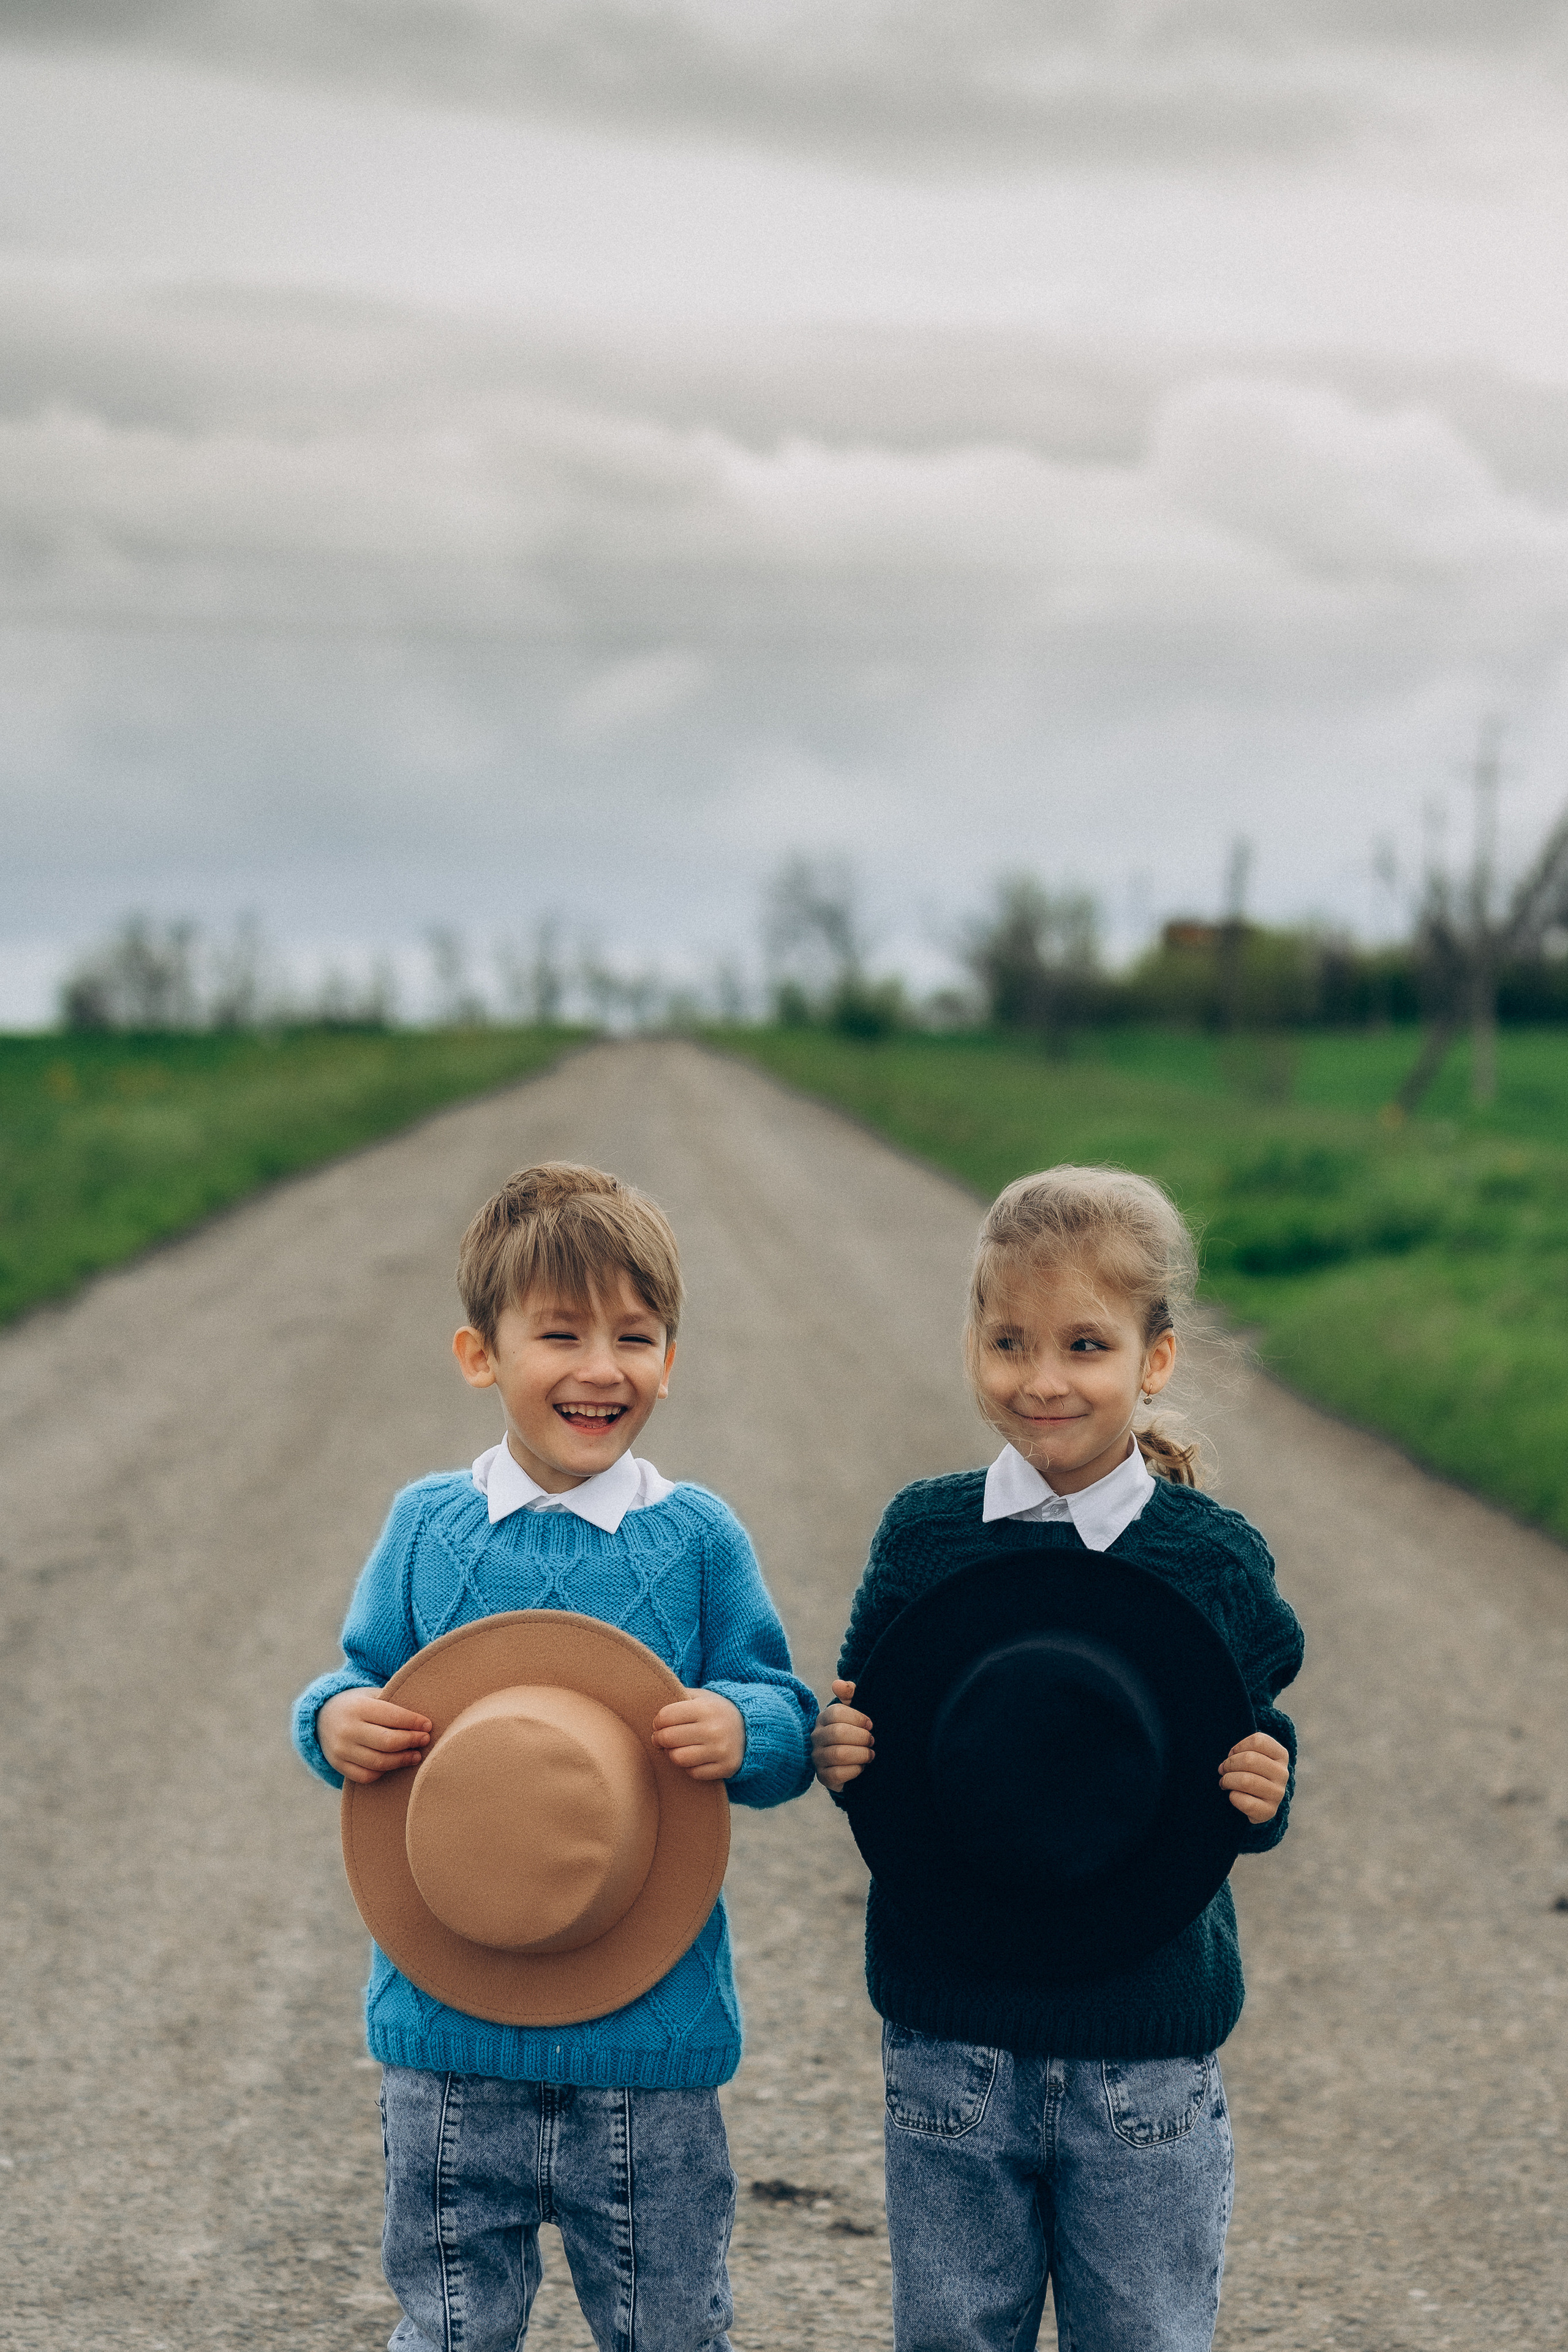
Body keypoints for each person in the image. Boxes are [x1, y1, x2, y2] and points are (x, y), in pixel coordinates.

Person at [293, 1161, 817, 2352]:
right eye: (561, 1333)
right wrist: (329, 1723)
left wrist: (748, 1729)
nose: (601, 1367)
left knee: (667, 2322)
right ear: (481, 1355)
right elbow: (356, 1679)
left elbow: (781, 1718)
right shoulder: (427, 1525)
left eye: (635, 1336)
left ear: (670, 1359)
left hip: (647, 2040)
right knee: (450, 2323)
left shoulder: (692, 1538)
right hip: (444, 2030)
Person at [812, 1165, 1303, 2352]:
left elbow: (1247, 1734)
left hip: (1139, 2043)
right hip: (949, 2034)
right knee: (950, 2332)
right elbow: (880, 1719)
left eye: (1083, 1345)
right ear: (971, 1345)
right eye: (1008, 1342)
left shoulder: (1207, 1557)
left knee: (1140, 2332)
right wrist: (836, 1749)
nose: (1040, 1380)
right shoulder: (925, 1535)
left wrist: (1267, 1787)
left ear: (1154, 1360)